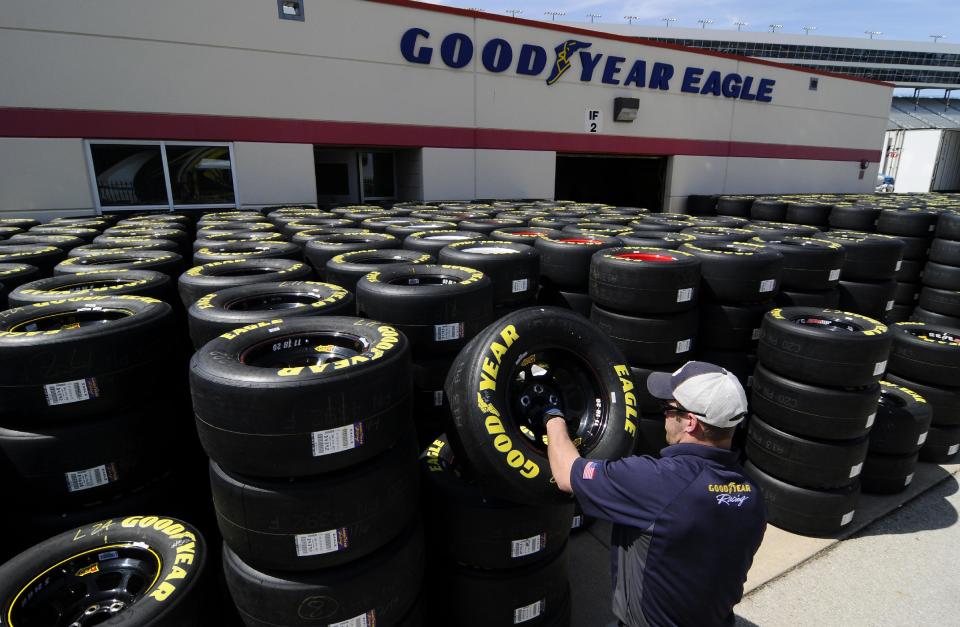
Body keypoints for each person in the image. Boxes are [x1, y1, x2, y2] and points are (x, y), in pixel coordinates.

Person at [544, 361, 766, 627]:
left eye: (669, 409)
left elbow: (566, 473)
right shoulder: (753, 496)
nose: (664, 416)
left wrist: (552, 414)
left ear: (691, 422)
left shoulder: (654, 482)